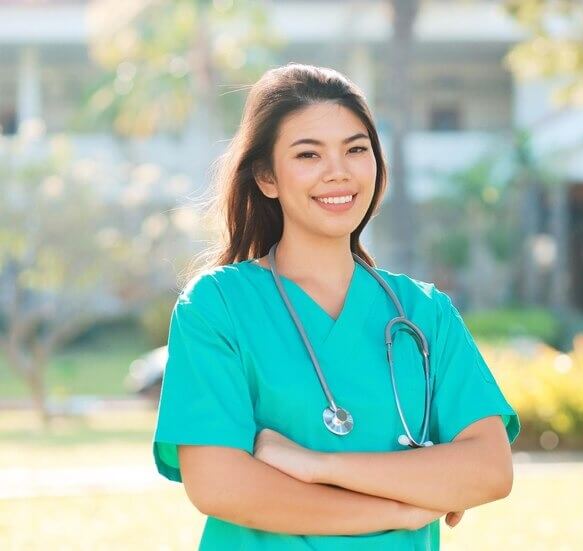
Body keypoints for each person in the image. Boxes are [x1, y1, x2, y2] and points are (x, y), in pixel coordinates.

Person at [152, 63, 520, 550]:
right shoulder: (217, 306)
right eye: (308, 154)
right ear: (266, 177)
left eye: (356, 149)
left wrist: (317, 466)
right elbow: (220, 485)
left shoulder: (424, 312)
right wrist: (400, 508)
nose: (339, 172)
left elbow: (489, 470)